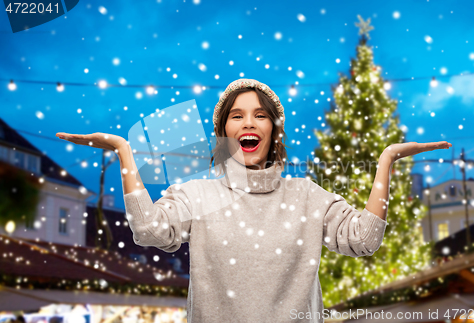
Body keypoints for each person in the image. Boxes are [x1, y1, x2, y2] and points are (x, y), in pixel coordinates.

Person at [56, 78, 452, 322]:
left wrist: (386, 161)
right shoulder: (197, 194)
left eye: (260, 115)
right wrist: (124, 152)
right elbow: (147, 230)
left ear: (274, 131)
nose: (248, 122)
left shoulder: (306, 196)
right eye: (237, 115)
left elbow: (364, 240)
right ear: (223, 131)